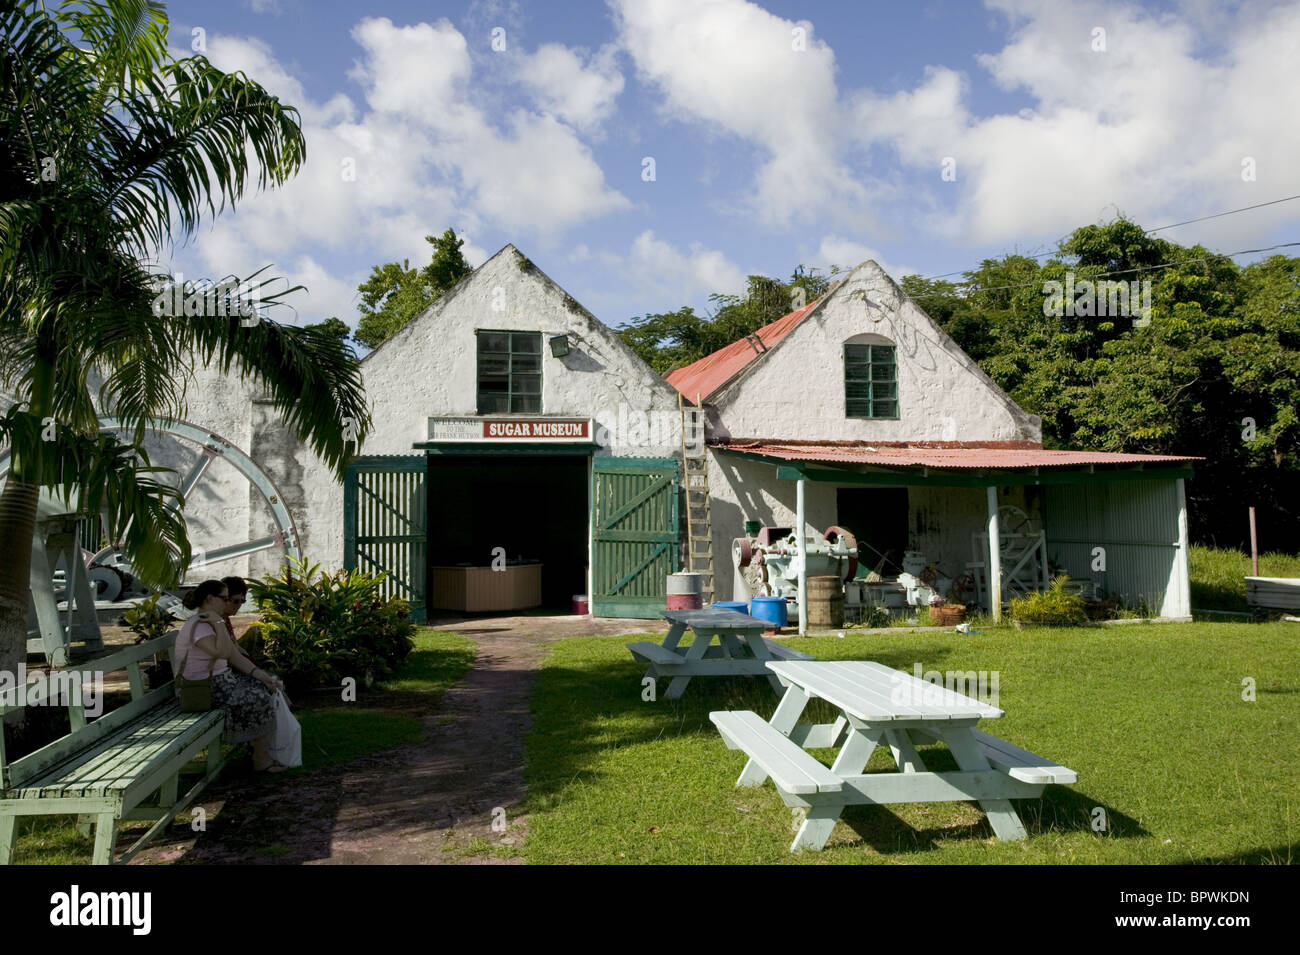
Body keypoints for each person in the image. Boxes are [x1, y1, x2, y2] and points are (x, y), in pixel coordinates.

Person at [177, 579, 286, 772]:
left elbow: (234, 655)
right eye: (224, 598)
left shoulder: (211, 622)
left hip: (221, 682)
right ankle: (261, 759)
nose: (228, 603)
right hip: (205, 689)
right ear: (210, 599)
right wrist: (219, 622)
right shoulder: (201, 625)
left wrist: (261, 676)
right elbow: (223, 653)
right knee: (258, 697)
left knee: (265, 686)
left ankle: (259, 753)